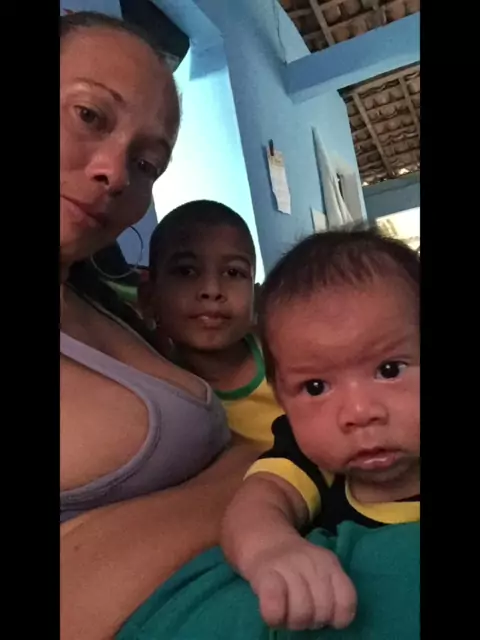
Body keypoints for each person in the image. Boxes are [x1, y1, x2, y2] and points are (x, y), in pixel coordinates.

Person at [60, 12, 256, 640]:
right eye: (88, 114)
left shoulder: (107, 300)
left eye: (147, 164)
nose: (117, 174)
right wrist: (277, 470)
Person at [221, 228, 420, 631]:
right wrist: (273, 549)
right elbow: (256, 505)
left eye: (389, 370)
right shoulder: (309, 459)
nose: (359, 413)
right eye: (315, 387)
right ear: (280, 396)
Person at [139, 200, 283, 448]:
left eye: (233, 273)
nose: (212, 290)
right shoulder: (156, 392)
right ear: (149, 297)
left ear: (257, 298)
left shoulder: (285, 361)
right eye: (186, 271)